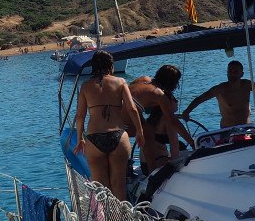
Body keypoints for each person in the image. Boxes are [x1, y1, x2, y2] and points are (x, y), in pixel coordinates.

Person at [73, 51, 143, 201]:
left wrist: (80, 139)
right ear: (111, 65)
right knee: (119, 186)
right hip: (118, 136)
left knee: (101, 189)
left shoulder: (85, 87)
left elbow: (80, 116)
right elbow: (132, 109)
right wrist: (140, 131)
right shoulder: (120, 82)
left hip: (93, 138)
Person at [181, 60, 255, 128]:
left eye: (235, 71)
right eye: (230, 71)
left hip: (247, 128)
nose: (232, 74)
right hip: (227, 130)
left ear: (242, 74)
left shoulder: (247, 85)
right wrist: (187, 111)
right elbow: (200, 99)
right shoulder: (220, 89)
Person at [129, 64, 194, 173]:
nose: (176, 101)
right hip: (158, 162)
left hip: (115, 115)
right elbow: (174, 152)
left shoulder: (144, 80)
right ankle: (152, 173)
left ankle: (150, 170)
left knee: (147, 132)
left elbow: (135, 92)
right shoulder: (159, 97)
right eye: (174, 99)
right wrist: (192, 143)